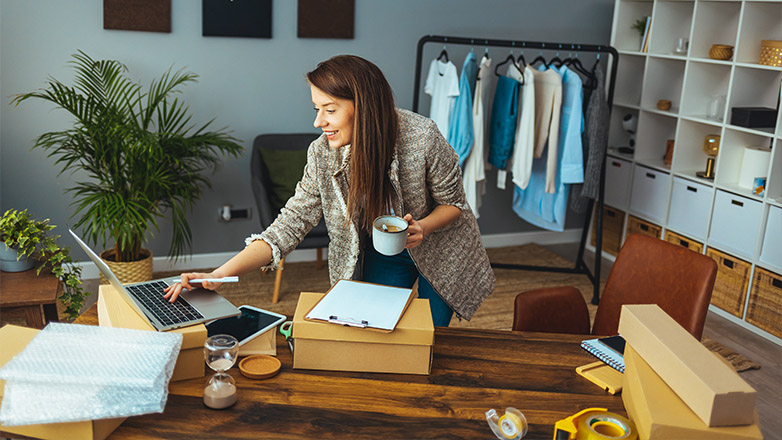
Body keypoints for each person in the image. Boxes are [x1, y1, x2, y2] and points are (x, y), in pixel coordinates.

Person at [164, 55, 495, 326]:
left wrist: (423, 226)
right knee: (378, 328)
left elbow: (454, 205)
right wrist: (221, 274)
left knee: (429, 335)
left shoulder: (422, 137)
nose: (318, 122)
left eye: (330, 109)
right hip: (383, 249)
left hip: (440, 247)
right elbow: (290, 223)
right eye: (316, 109)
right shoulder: (322, 153)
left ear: (363, 106)